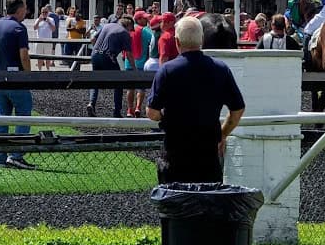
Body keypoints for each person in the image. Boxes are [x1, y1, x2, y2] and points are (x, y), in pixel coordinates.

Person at [145, 17, 246, 184]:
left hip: (175, 154)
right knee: (208, 206)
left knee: (175, 207)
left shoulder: (167, 71)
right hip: (208, 157)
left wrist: (164, 118)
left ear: (177, 41)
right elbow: (237, 109)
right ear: (202, 40)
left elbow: (152, 112)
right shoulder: (221, 69)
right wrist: (222, 134)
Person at [0, 0, 35, 170]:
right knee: (23, 115)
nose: (26, 11)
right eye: (25, 8)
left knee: (1, 117)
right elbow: (24, 54)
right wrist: (28, 75)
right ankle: (16, 155)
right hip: (16, 78)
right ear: (19, 9)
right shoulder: (19, 28)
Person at [87, 16, 133, 117]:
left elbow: (92, 39)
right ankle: (116, 110)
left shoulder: (106, 26)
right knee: (118, 83)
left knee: (95, 81)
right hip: (108, 56)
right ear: (129, 25)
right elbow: (129, 54)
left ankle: (91, 103)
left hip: (95, 54)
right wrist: (134, 69)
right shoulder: (125, 33)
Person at [33, 6, 57, 70]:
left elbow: (53, 29)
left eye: (46, 12)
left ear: (48, 12)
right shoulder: (38, 19)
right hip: (39, 41)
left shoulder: (51, 20)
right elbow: (34, 28)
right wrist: (39, 21)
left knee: (48, 57)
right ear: (40, 13)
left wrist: (48, 22)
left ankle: (48, 69)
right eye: (43, 12)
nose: (44, 14)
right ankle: (39, 70)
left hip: (48, 41)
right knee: (39, 57)